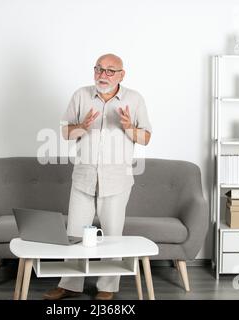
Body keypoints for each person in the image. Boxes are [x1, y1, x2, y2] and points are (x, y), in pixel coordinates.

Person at [43, 53, 152, 300]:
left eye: (110, 71)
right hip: (83, 178)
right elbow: (66, 133)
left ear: (122, 74)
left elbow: (145, 138)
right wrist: (81, 125)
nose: (103, 75)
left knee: (112, 236)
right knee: (75, 235)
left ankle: (107, 287)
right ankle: (70, 284)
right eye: (99, 69)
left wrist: (129, 128)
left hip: (117, 180)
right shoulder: (80, 95)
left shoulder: (135, 100)